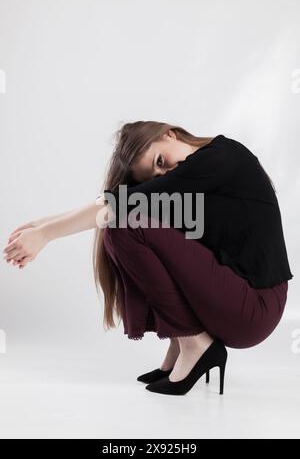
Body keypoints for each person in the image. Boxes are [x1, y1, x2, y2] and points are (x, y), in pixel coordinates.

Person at [3, 121, 293, 397]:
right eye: (156, 176)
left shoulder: (222, 156)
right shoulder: (192, 180)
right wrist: (42, 225)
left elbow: (120, 206)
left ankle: (195, 343)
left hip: (256, 306)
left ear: (170, 134)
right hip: (234, 298)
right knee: (129, 221)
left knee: (126, 225)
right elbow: (121, 201)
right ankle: (182, 345)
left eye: (159, 161)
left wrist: (46, 234)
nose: (165, 173)